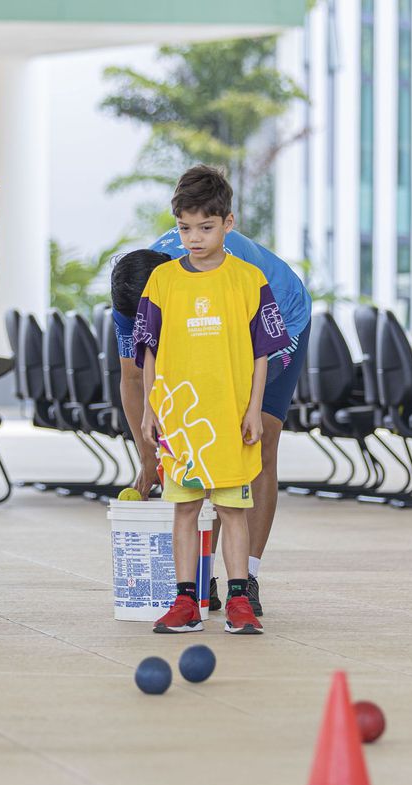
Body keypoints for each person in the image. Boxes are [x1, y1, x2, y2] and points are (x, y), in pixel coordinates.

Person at [111, 221, 310, 617]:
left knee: (253, 443)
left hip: (275, 319)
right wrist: (149, 458)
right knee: (195, 453)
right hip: (203, 324)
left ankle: (246, 576)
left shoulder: (217, 280)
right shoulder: (132, 297)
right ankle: (204, 576)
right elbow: (133, 378)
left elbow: (239, 360)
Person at [135, 165, 290, 635]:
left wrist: (253, 410)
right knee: (183, 508)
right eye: (185, 228)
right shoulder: (162, 282)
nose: (195, 238)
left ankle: (240, 599)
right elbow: (149, 353)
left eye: (206, 227)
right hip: (181, 422)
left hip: (229, 419)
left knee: (231, 508)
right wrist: (149, 407)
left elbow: (263, 351)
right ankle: (186, 601)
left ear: (229, 222)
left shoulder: (248, 280)